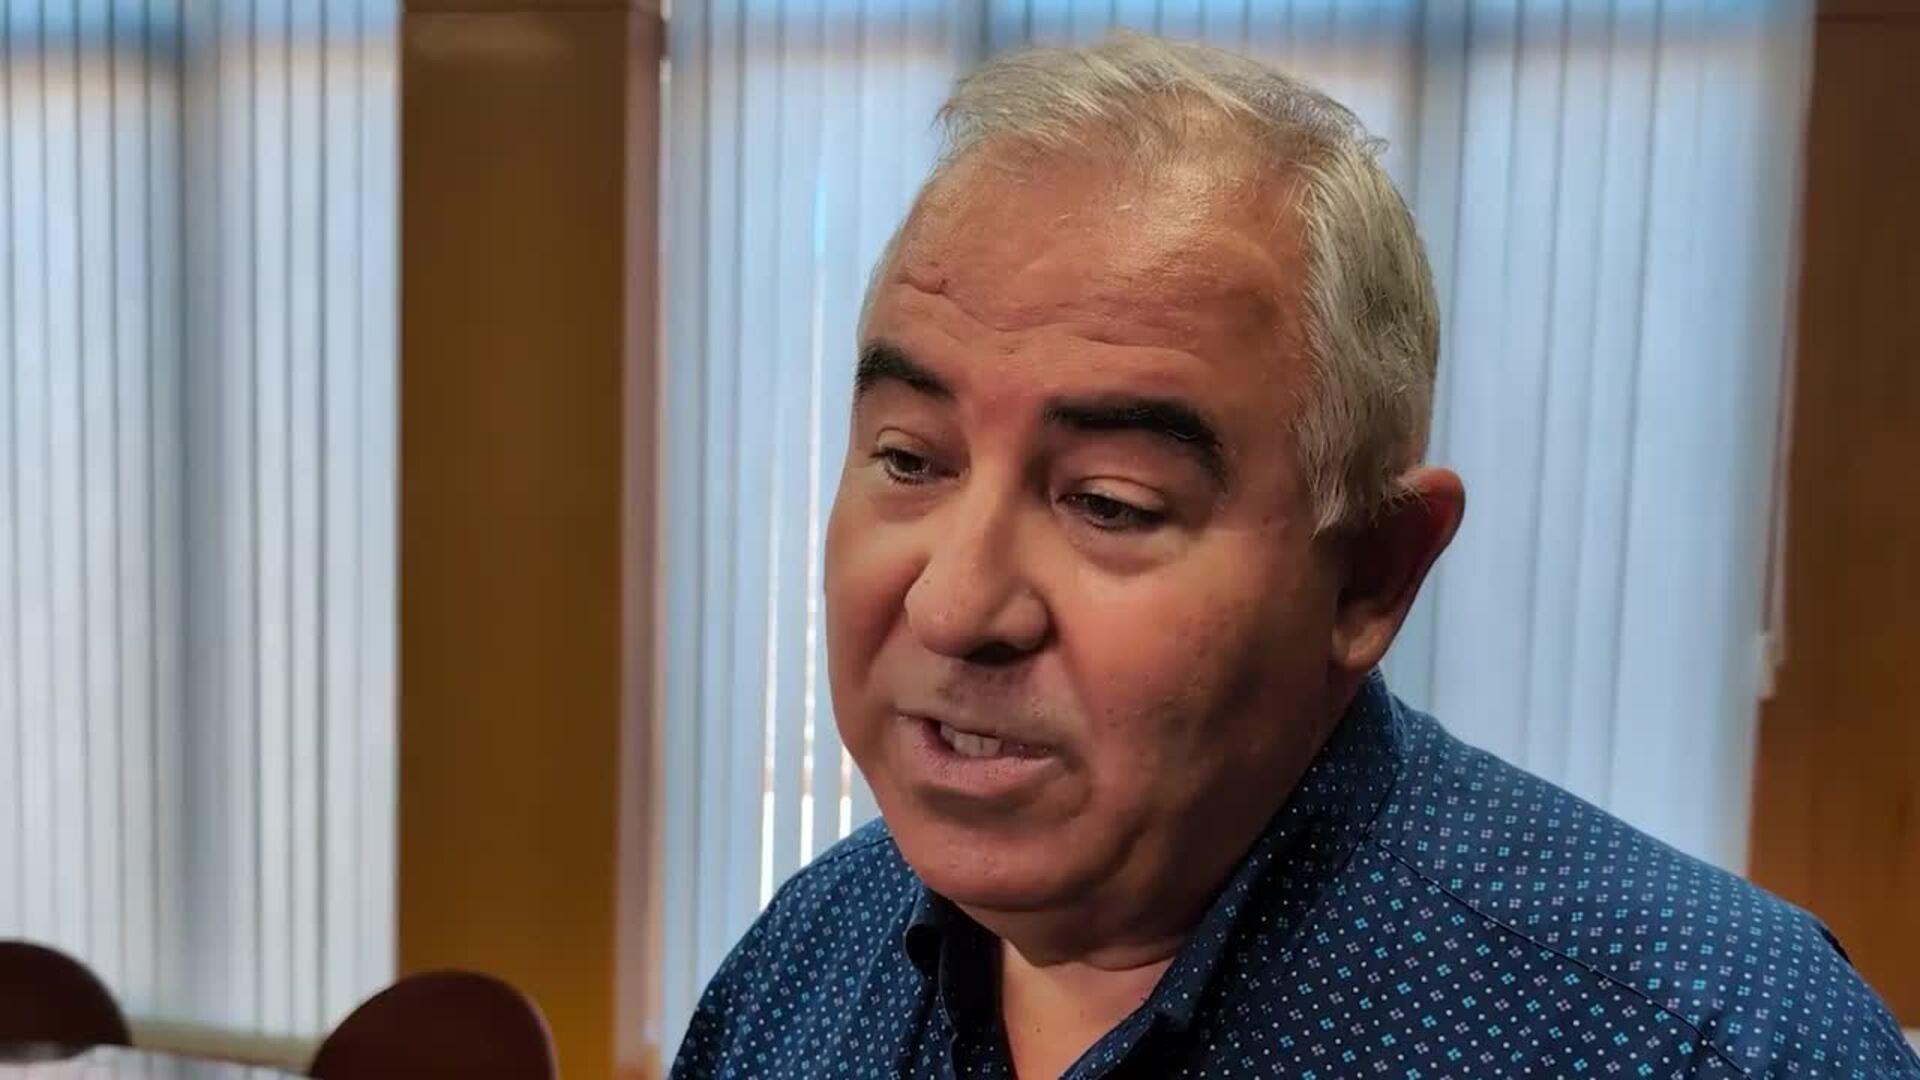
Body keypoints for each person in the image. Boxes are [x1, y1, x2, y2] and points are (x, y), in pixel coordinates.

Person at [671, 33, 1920, 1080]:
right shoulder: (801, 966)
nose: (954, 606)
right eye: (908, 460)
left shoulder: (1708, 1039)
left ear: (1372, 573)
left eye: (1109, 502)